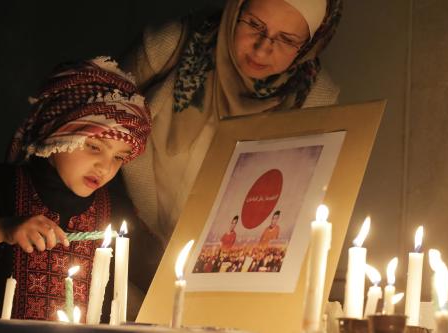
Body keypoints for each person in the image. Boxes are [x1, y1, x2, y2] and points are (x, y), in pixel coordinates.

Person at [120, 0, 342, 243]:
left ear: (309, 45)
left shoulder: (313, 99)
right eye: (255, 25)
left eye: (287, 40)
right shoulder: (170, 46)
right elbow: (99, 122)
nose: (261, 49)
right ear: (236, 10)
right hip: (134, 240)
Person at [0, 57, 162, 322]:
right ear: (57, 132)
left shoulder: (117, 211)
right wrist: (2, 230)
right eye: (94, 147)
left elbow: (159, 274)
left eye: (119, 157)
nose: (105, 167)